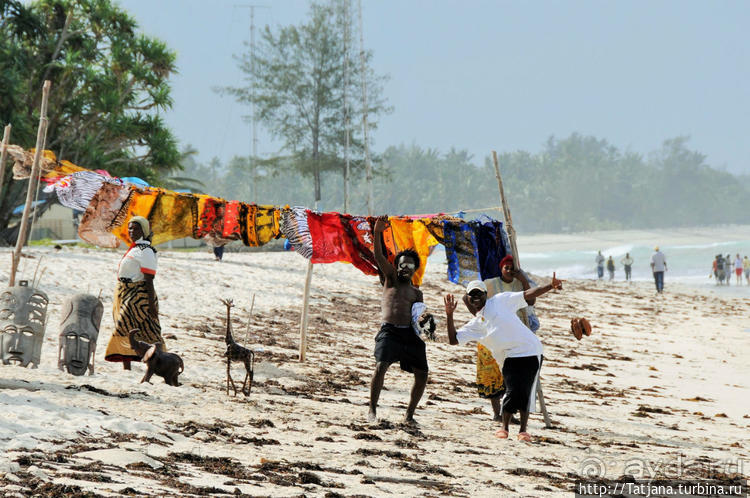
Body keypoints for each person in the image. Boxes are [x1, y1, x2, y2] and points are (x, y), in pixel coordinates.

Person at [444, 274, 563, 442]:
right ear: (468, 299)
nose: (476, 297)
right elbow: (453, 340)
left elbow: (528, 294)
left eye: (479, 293)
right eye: (472, 295)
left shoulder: (500, 300)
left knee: (526, 391)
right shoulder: (475, 325)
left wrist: (550, 286)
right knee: (512, 390)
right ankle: (505, 427)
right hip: (508, 357)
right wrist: (449, 315)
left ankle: (523, 430)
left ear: (486, 294)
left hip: (530, 350)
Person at [368, 217, 432, 425]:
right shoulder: (390, 278)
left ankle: (409, 415)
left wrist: (428, 329)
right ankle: (372, 410)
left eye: (409, 266)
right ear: (397, 267)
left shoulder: (417, 292)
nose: (405, 269)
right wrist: (377, 233)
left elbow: (419, 317)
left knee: (422, 373)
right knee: (380, 366)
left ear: (415, 269)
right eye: (402, 265)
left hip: (409, 334)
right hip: (389, 332)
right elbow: (378, 256)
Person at [475, 254, 535, 422]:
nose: (509, 270)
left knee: (512, 375)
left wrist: (523, 280)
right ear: (501, 268)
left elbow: (531, 301)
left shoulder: (518, 285)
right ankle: (496, 414)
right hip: (492, 333)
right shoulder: (489, 283)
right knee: (493, 373)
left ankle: (509, 413)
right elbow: (472, 299)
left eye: (512, 268)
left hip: (514, 335)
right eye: (506, 267)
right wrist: (479, 317)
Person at [105, 216, 166, 370]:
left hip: (138, 296)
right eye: (130, 228)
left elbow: (149, 279)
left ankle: (160, 364)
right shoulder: (135, 249)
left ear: (144, 231)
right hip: (124, 293)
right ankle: (129, 368)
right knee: (138, 331)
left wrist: (151, 304)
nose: (132, 231)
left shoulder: (146, 251)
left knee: (129, 329)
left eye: (136, 228)